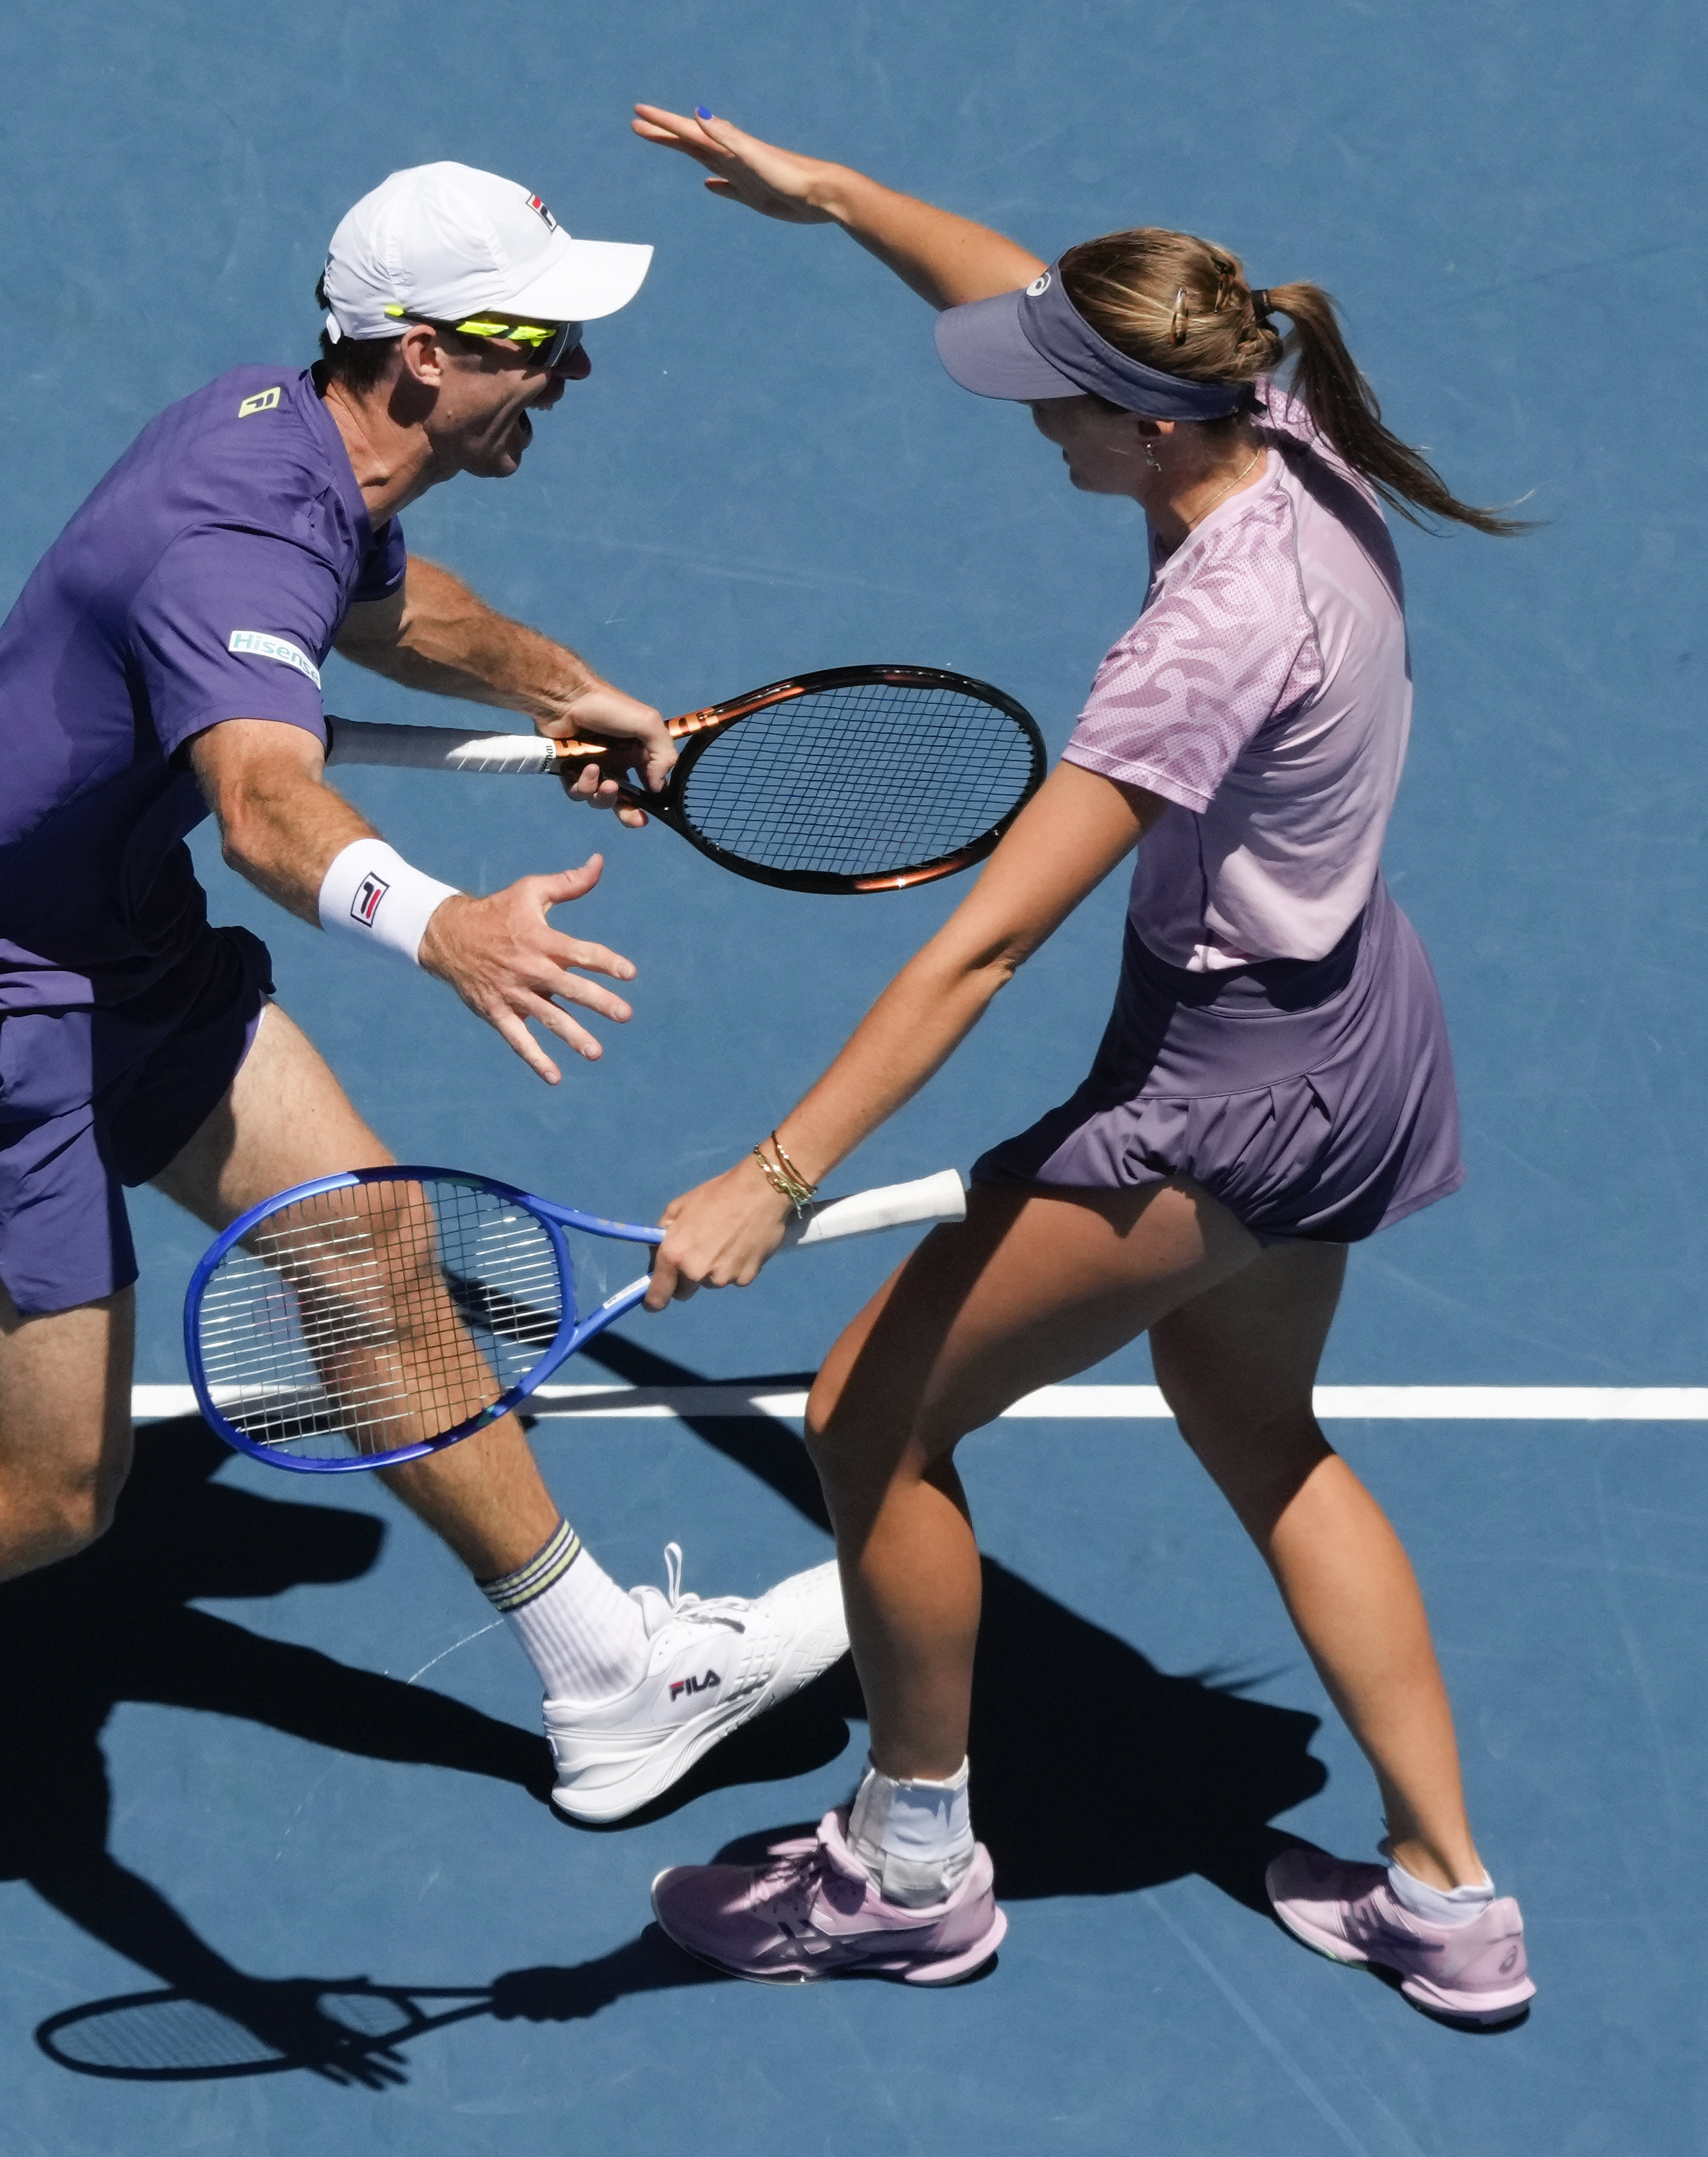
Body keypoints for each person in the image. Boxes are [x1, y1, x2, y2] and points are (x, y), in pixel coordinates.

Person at [0, 161, 848, 1921]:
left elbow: (388, 607)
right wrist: (445, 926)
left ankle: (608, 1678)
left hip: (110, 946)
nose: (570, 377)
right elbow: (263, 807)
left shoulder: (300, 444)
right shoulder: (234, 535)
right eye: (538, 348)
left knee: (367, 1256)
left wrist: (572, 694)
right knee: (37, 1495)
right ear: (422, 352)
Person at [623, 108, 1537, 2024]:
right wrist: (834, 198)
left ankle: (907, 1871)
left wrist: (772, 1176)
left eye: (1061, 401)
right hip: (1359, 1032)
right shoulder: (1278, 416)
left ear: (1149, 428)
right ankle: (1448, 1903)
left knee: (867, 1423)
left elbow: (980, 947)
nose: (1034, 418)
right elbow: (1012, 289)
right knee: (1257, 1425)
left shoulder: (1204, 642)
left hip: (1216, 1095)